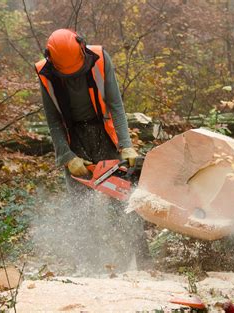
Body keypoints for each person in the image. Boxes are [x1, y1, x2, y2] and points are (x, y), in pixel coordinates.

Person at [34, 29, 149, 272]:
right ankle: (89, 266)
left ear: (81, 47)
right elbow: (53, 120)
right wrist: (67, 156)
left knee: (124, 198)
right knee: (80, 206)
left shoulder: (99, 58)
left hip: (104, 134)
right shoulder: (45, 73)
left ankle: (141, 262)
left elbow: (116, 104)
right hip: (73, 139)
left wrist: (125, 144)